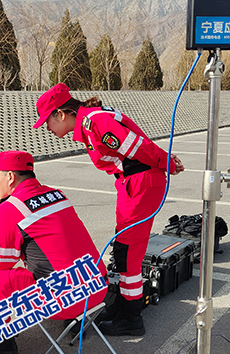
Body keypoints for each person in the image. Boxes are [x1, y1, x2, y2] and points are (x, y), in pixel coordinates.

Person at [33, 83, 185, 336]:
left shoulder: (96, 123)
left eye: (47, 122)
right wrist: (165, 161)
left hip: (140, 184)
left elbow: (137, 146)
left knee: (128, 254)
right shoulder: (90, 123)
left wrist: (166, 162)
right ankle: (124, 306)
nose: (47, 128)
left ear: (61, 114)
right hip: (132, 184)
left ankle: (131, 317)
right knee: (124, 249)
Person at [0, 150, 107, 354]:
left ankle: (3, 353)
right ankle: (77, 324)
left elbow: (1, 262)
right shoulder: (57, 194)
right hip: (97, 288)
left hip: (66, 301)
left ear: (10, 177)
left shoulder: (10, 208)